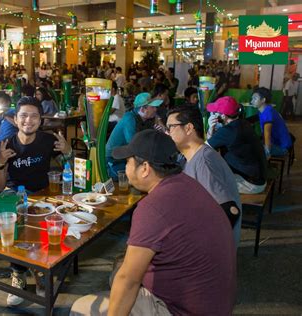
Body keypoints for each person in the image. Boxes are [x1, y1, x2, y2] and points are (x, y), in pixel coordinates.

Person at [70, 130, 236, 316]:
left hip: (180, 310)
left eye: (127, 162)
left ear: (145, 168)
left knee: (82, 306)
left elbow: (129, 280)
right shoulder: (188, 184)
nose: (125, 168)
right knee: (118, 269)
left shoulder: (153, 207)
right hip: (214, 302)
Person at [0, 96, 72, 305]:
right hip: (14, 195)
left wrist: (67, 151)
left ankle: (39, 271)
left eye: (34, 116)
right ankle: (18, 274)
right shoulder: (6, 143)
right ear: (15, 119)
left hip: (44, 194)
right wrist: (1, 163)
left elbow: (68, 167)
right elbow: (0, 187)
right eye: (24, 116)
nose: (28, 120)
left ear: (41, 119)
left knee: (55, 224)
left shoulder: (48, 140)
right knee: (14, 225)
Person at [166, 106, 242, 244]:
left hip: (212, 247)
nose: (167, 132)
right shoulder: (190, 157)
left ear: (188, 128)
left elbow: (231, 211)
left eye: (171, 127)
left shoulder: (203, 161)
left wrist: (204, 245)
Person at [206, 96, 267, 194]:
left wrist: (210, 127)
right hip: (258, 178)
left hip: (249, 184)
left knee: (207, 181)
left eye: (215, 112)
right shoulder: (243, 123)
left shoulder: (227, 131)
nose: (213, 114)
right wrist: (212, 129)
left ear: (222, 116)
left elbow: (205, 149)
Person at [106, 92, 164, 180]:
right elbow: (134, 145)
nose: (156, 109)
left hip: (127, 157)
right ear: (143, 109)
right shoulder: (129, 119)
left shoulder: (145, 119)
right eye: (152, 107)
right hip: (114, 160)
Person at [252, 87, 292, 157]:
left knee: (251, 150)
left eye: (255, 99)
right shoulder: (265, 110)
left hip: (282, 148)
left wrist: (267, 152)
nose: (251, 101)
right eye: (252, 98)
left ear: (263, 100)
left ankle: (265, 167)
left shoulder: (267, 113)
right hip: (276, 143)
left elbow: (267, 134)